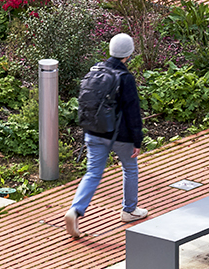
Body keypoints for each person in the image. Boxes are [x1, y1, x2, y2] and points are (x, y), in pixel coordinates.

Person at [64, 32, 149, 238]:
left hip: (93, 131)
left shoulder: (95, 70)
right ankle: (129, 210)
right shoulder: (125, 78)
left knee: (92, 173)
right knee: (130, 168)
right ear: (128, 54)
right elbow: (132, 111)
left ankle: (75, 210)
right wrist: (137, 140)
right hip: (119, 135)